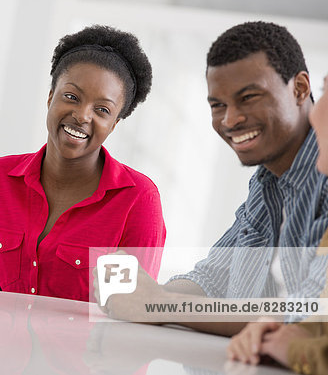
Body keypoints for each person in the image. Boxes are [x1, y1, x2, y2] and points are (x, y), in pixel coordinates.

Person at [95, 21, 328, 335]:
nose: (230, 120)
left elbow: (311, 313)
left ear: (300, 89)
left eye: (248, 98)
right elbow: (212, 279)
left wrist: (158, 304)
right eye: (219, 105)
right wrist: (144, 293)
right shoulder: (268, 180)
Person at [0, 25, 166, 302]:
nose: (82, 116)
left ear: (114, 124)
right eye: (71, 97)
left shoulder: (137, 199)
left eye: (102, 110)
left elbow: (126, 313)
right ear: (50, 97)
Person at [227, 75, 328, 374]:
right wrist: (276, 325)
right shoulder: (263, 181)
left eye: (325, 93)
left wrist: (290, 343)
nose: (316, 112)